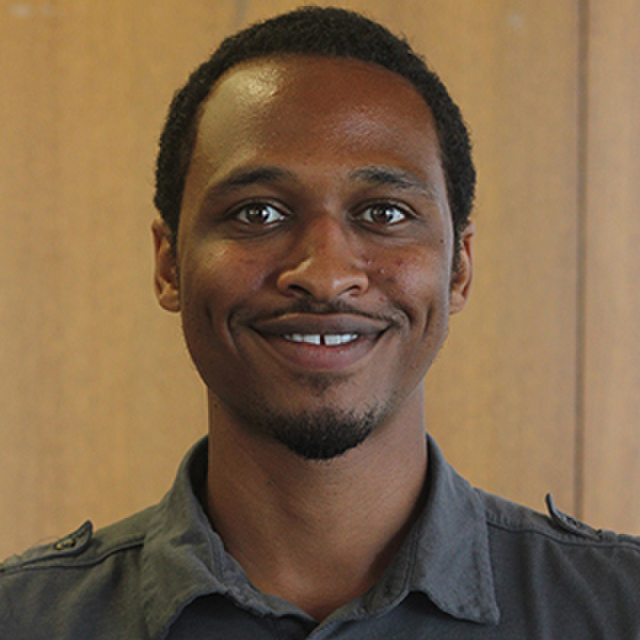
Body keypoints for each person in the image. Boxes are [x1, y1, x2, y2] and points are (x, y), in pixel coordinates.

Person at [1, 7, 639, 639]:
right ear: (169, 265)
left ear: (459, 268)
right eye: (258, 213)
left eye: (384, 213)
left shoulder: (619, 610)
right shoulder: (25, 620)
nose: (327, 276)